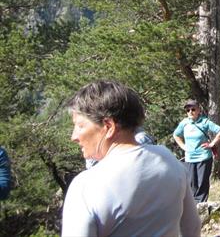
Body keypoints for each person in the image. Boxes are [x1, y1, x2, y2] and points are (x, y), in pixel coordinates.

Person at [62, 80, 201, 237]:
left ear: (108, 127)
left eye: (80, 126)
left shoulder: (85, 186)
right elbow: (192, 228)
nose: (74, 136)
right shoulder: (169, 160)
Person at [173, 99, 220, 210]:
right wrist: (183, 147)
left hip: (203, 157)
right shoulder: (184, 123)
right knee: (192, 182)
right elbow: (176, 135)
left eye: (193, 109)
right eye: (188, 110)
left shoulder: (205, 122)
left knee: (202, 182)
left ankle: (201, 205)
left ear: (198, 110)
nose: (190, 112)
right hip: (189, 158)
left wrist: (212, 144)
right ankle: (192, 205)